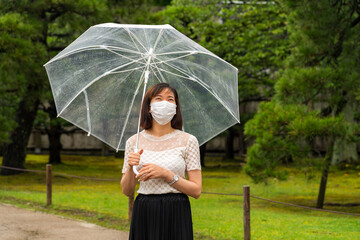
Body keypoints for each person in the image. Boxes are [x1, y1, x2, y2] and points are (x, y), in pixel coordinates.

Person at [120, 82, 202, 240]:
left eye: (170, 99)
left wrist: (166, 174)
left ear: (176, 107)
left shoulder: (188, 141)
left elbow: (196, 190)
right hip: (144, 210)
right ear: (149, 107)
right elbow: (127, 190)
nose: (165, 103)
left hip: (177, 210)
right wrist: (131, 167)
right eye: (158, 98)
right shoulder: (133, 142)